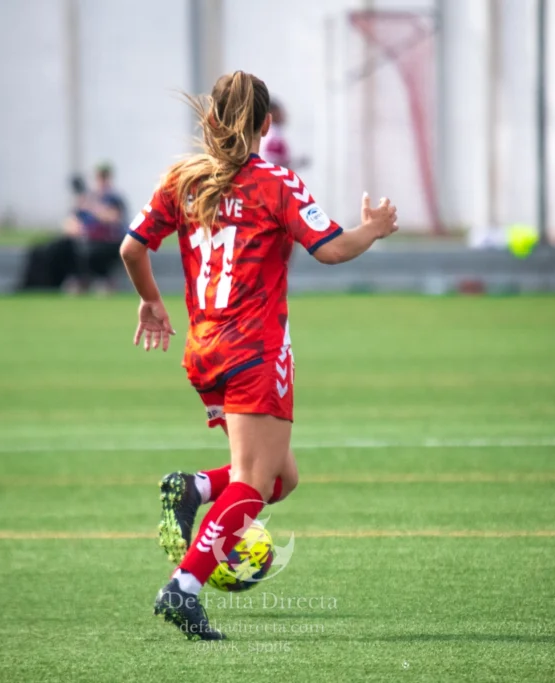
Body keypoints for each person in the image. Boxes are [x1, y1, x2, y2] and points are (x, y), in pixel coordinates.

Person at [119, 71, 399, 641]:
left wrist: (152, 301)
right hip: (254, 350)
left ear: (211, 120)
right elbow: (331, 249)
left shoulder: (182, 179)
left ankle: (194, 488)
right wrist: (371, 229)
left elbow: (131, 247)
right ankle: (184, 587)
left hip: (205, 352)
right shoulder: (275, 182)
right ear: (267, 126)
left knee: (279, 479)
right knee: (253, 481)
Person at [260, 101, 308, 170]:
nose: (283, 114)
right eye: (280, 112)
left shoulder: (267, 132)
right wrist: (297, 163)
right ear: (272, 113)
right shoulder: (273, 136)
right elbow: (270, 162)